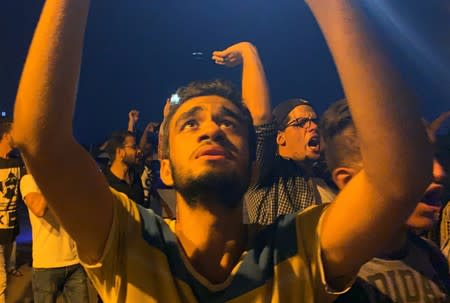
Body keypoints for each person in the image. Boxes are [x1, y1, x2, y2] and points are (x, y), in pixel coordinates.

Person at [12, 0, 434, 302]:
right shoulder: (127, 237)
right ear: (165, 170)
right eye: (190, 123)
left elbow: (397, 181)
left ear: (254, 162)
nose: (212, 128)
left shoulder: (300, 246)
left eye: (229, 123)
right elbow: (41, 142)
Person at [320, 99, 450, 302]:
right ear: (349, 181)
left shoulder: (431, 258)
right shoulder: (326, 280)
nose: (438, 172)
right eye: (410, 159)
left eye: (433, 155)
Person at [212, 42, 336, 225]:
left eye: (314, 121)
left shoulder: (330, 179)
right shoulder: (267, 174)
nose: (313, 127)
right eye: (301, 122)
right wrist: (248, 51)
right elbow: (260, 120)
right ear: (280, 138)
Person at [20, 174, 90, 303]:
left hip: (74, 262)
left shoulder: (69, 179)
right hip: (46, 265)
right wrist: (55, 177)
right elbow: (38, 209)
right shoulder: (30, 180)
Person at [0, 118, 24, 303]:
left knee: (5, 273)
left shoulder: (17, 162)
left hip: (11, 227)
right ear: (7, 135)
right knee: (1, 282)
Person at [104, 131, 146, 207]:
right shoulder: (105, 183)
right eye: (134, 147)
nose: (138, 151)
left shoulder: (135, 177)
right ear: (120, 152)